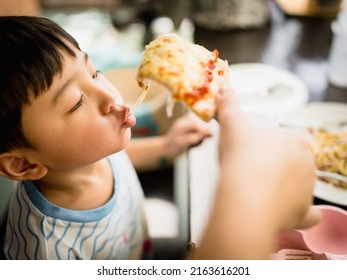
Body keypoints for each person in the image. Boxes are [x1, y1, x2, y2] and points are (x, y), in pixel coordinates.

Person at [0, 15, 320, 260]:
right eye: (76, 103)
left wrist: (165, 148)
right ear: (23, 164)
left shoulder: (83, 155)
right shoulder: (48, 252)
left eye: (94, 72)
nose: (109, 94)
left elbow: (117, 161)